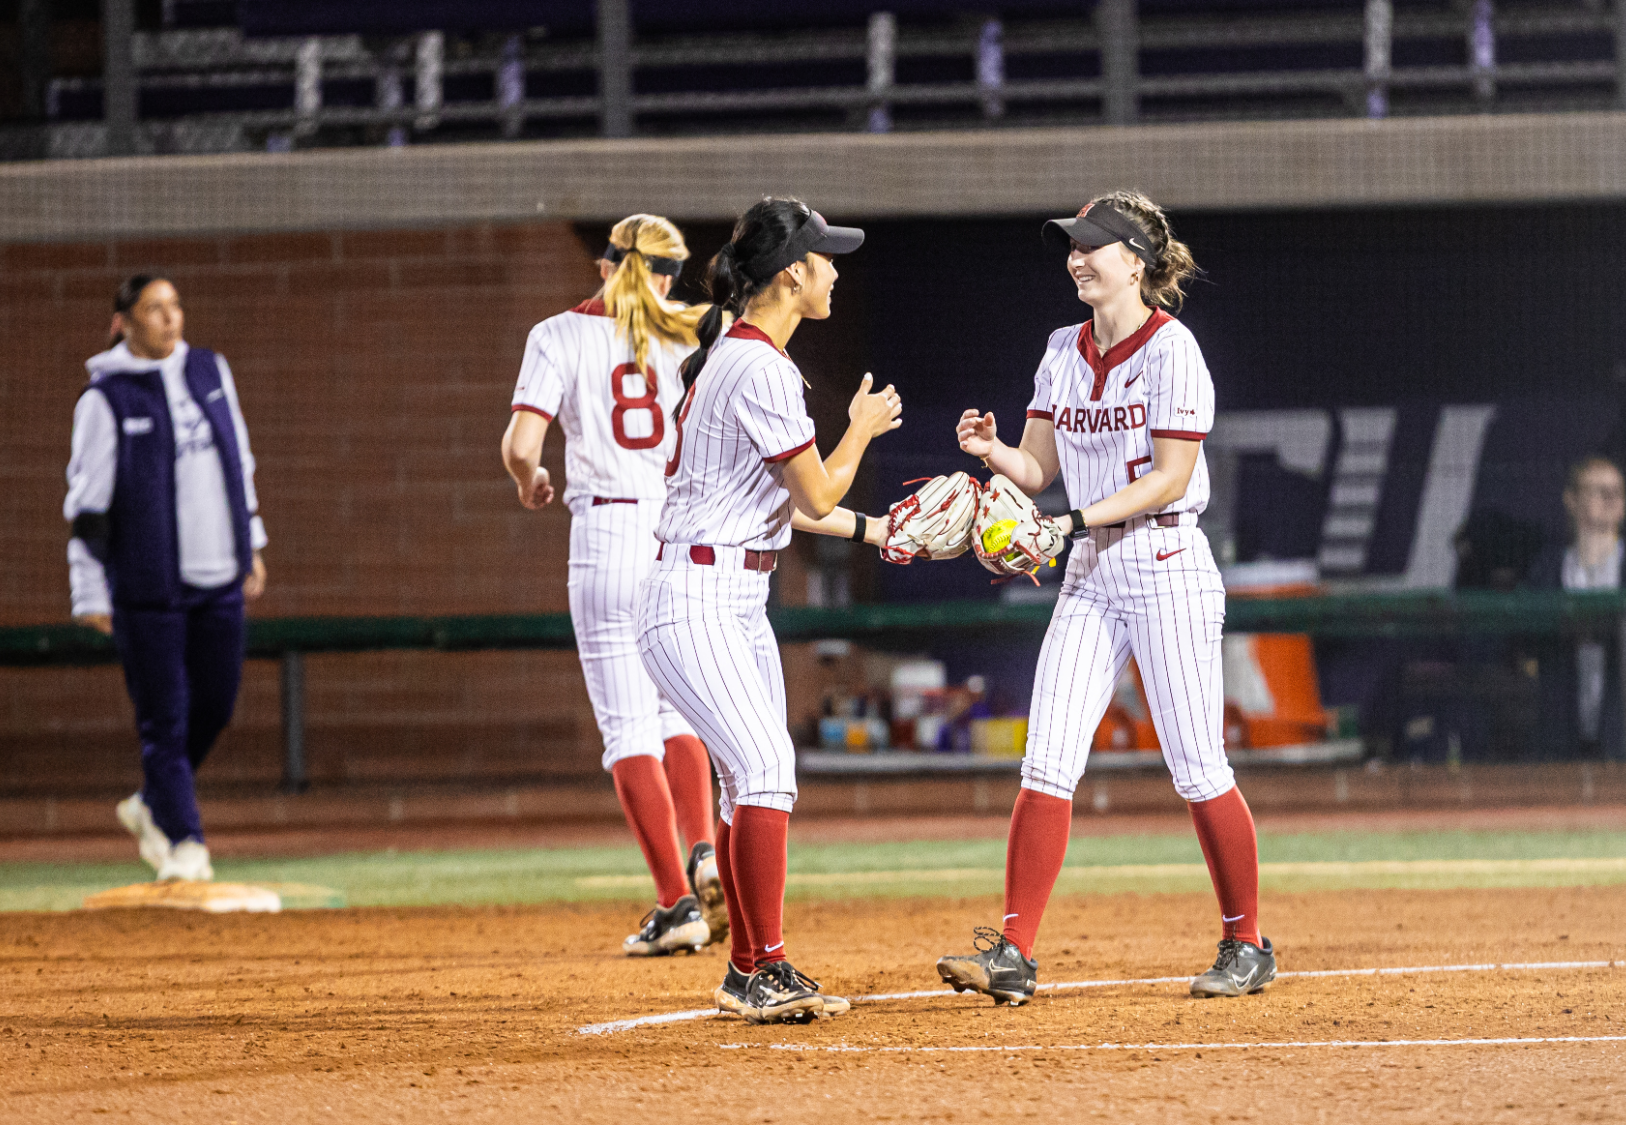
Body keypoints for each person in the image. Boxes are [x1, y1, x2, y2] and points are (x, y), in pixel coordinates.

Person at [935, 191, 1274, 1005]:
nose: (1077, 257)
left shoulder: (1173, 350)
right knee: (1046, 758)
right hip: (1089, 569)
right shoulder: (1062, 347)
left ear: (1138, 262)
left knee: (1197, 764)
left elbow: (1171, 477)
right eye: (1072, 245)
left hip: (1165, 564)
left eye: (1093, 245)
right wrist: (994, 454)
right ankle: (1014, 949)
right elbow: (1038, 469)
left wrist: (1068, 521)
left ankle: (1246, 941)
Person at [636, 197, 901, 1024]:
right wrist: (860, 429)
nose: (833, 271)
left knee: (748, 777)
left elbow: (793, 504)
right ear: (792, 272)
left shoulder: (741, 354)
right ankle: (762, 968)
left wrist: (879, 528)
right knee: (765, 774)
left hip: (729, 591)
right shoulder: (759, 364)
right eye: (823, 257)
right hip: (698, 594)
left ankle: (748, 967)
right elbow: (817, 484)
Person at [501, 214, 727, 957]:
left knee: (628, 728)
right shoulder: (696, 328)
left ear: (605, 267)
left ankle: (675, 902)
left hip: (604, 532)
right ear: (669, 273)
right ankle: (703, 845)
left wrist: (531, 478)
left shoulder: (557, 334)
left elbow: (522, 445)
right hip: (678, 529)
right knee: (676, 709)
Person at [65, 275, 267, 883]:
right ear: (124, 322)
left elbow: (241, 458)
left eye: (176, 305)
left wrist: (250, 540)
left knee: (217, 703)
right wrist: (89, 589)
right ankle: (184, 843)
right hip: (148, 586)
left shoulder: (211, 371)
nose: (171, 318)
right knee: (165, 716)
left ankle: (153, 802)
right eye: (154, 309)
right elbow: (88, 504)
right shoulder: (105, 399)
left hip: (219, 575)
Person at [1524, 455, 1626, 760]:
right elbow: (1519, 639)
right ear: (1571, 500)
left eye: (1617, 491)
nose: (1610, 499)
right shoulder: (1548, 569)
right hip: (1561, 739)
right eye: (1597, 490)